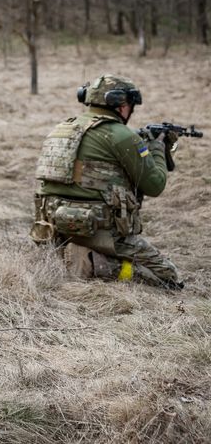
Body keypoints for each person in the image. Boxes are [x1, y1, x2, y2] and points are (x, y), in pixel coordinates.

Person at [31, 74, 182, 289]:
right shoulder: (121, 135)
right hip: (101, 233)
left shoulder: (60, 128)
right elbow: (155, 185)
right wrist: (158, 148)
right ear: (121, 104)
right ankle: (95, 266)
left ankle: (70, 255)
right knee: (167, 278)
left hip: (52, 230)